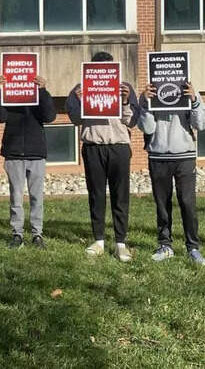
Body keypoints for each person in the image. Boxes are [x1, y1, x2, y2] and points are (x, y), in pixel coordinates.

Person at [66, 51, 139, 262]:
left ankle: (120, 243)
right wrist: (81, 100)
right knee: (96, 194)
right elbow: (75, 119)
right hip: (93, 146)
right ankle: (98, 240)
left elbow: (132, 121)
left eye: (109, 68)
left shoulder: (125, 88)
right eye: (99, 69)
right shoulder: (79, 89)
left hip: (119, 146)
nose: (104, 73)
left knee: (120, 195)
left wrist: (125, 101)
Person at [138, 81, 205, 266]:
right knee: (162, 203)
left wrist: (193, 99)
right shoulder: (150, 93)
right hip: (158, 155)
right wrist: (146, 103)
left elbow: (201, 124)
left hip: (185, 155)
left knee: (187, 202)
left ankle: (193, 248)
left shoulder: (190, 91)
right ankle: (165, 245)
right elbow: (147, 128)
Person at [0, 74, 56, 249]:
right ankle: (17, 234)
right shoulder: (9, 96)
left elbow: (50, 116)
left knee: (37, 197)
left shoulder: (38, 96)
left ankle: (37, 234)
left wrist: (42, 90)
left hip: (36, 153)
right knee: (16, 197)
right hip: (13, 153)